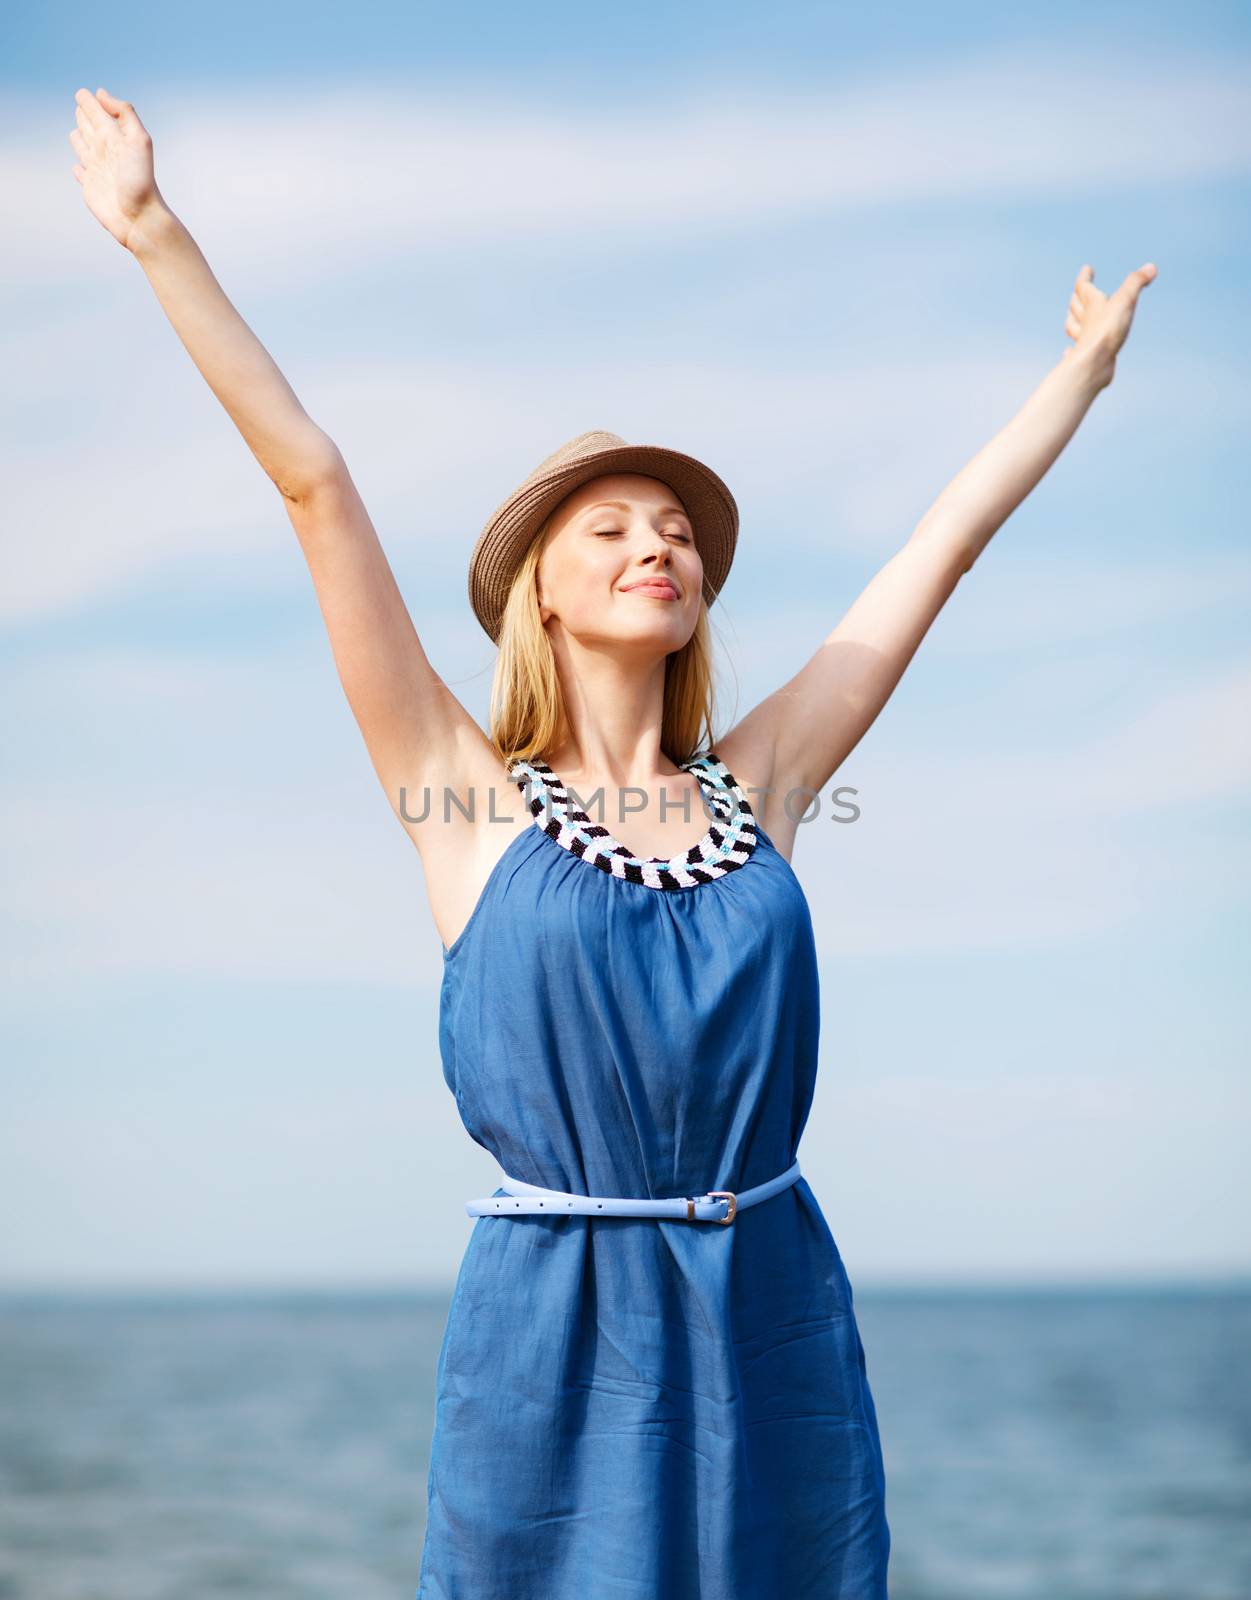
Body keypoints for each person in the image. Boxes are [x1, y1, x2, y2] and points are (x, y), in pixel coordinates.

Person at [69, 85, 1157, 1600]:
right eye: (616, 527)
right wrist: (152, 235)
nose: (661, 544)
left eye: (680, 529)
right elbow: (315, 482)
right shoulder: (464, 795)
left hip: (770, 1310)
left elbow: (940, 547)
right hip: (554, 1330)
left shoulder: (760, 783)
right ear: (545, 593)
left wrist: (1082, 380)